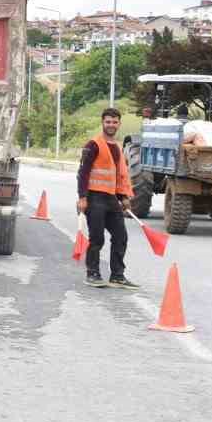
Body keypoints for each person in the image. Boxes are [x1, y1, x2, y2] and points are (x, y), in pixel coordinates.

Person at [77, 107, 138, 289]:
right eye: (108, 122)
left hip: (111, 199)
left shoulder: (117, 147)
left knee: (121, 236)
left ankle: (117, 276)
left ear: (119, 124)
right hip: (94, 198)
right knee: (97, 238)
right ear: (102, 123)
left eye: (114, 122)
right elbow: (83, 173)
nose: (111, 125)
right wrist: (82, 197)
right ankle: (92, 273)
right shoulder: (93, 144)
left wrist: (123, 196)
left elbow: (118, 175)